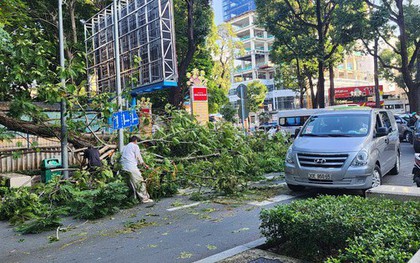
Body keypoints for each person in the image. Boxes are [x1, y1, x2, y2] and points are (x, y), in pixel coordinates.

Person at [120, 136, 153, 203]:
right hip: (131, 167)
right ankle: (144, 198)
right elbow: (139, 157)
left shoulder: (124, 147)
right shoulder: (135, 146)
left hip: (123, 167)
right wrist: (145, 165)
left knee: (131, 183)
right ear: (135, 141)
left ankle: (133, 198)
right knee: (140, 182)